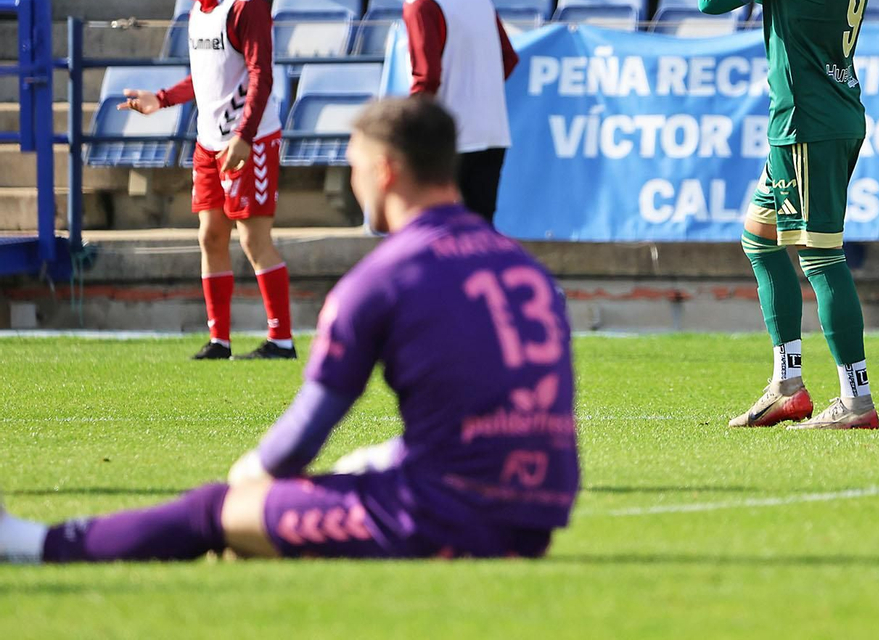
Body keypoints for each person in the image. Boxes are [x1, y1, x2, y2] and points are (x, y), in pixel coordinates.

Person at [0, 95, 579, 563]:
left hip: (445, 515)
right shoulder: (522, 265)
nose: (354, 183)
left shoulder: (384, 278)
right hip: (541, 508)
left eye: (355, 168)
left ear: (384, 171)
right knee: (362, 467)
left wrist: (250, 478)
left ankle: (37, 545)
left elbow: (304, 436)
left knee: (213, 511)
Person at [695, 0, 879, 431]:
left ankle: (856, 400)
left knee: (821, 256)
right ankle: (788, 384)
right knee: (760, 239)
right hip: (830, 109)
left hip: (807, 122)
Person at [117, 0, 292, 361]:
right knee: (210, 235)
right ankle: (220, 341)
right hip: (208, 142)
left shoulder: (246, 4)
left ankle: (281, 341)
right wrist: (161, 99)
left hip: (249, 141)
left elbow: (261, 76)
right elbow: (203, 77)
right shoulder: (198, 8)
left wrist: (244, 136)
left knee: (253, 239)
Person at [388, 0, 518, 223]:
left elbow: (426, 78)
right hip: (493, 133)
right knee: (480, 233)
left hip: (448, 140)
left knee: (441, 234)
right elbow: (508, 59)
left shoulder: (421, 2)